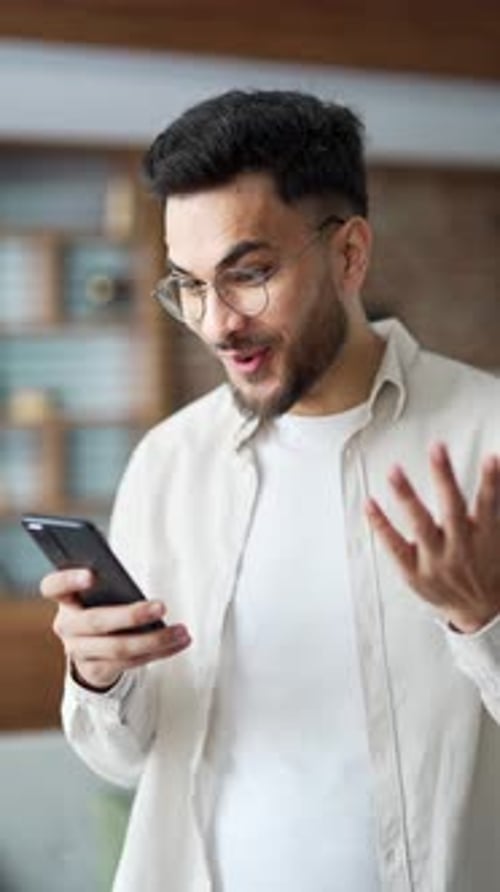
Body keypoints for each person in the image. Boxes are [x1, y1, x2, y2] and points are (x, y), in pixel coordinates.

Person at [41, 90, 500, 892]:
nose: (216, 323)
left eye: (247, 275)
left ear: (350, 254)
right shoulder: (168, 463)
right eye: (187, 284)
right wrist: (99, 677)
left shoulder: (485, 439)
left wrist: (482, 620)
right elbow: (121, 761)